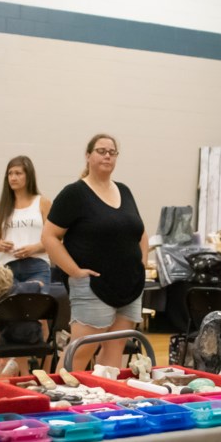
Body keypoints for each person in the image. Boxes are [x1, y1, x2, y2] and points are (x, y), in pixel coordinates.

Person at [42, 133, 148, 371]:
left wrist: (141, 264)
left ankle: (103, 402)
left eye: (112, 152)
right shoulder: (74, 193)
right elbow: (49, 237)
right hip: (93, 285)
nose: (107, 155)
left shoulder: (125, 190)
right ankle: (61, 400)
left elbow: (140, 233)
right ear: (88, 156)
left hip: (129, 286)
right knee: (81, 349)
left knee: (115, 347)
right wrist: (74, 271)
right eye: (101, 151)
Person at [0, 156, 52, 287]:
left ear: (28, 176)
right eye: (10, 174)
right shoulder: (1, 206)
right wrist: (0, 245)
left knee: (33, 303)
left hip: (37, 266)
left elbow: (54, 240)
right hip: (6, 268)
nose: (13, 178)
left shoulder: (43, 203)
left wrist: (34, 248)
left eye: (18, 173)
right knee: (7, 306)